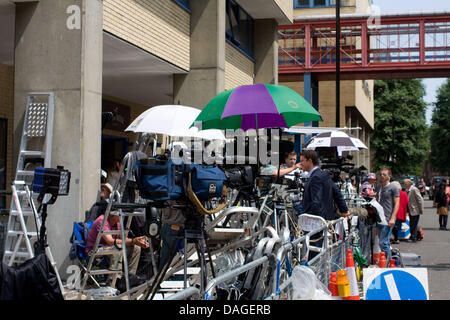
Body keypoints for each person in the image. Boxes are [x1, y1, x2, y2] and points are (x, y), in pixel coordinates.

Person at [85, 211, 149, 280]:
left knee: (136, 248)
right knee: (118, 248)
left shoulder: (118, 223)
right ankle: (114, 280)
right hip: (95, 250)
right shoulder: (102, 220)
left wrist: (137, 241)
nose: (122, 217)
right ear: (114, 215)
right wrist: (133, 241)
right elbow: (110, 241)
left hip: (108, 248)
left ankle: (130, 277)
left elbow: (124, 239)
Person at [300, 150, 349, 221]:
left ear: (310, 161)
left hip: (317, 222)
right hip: (327, 218)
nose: (300, 163)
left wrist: (307, 216)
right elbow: (336, 192)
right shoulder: (324, 174)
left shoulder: (315, 177)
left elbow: (316, 202)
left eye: (302, 161)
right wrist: (344, 210)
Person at [375, 168, 399, 262]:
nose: (382, 176)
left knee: (383, 243)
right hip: (379, 218)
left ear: (389, 176)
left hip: (388, 218)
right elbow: (377, 200)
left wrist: (392, 218)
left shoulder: (393, 188)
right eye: (380, 174)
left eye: (384, 174)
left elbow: (397, 203)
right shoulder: (378, 188)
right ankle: (388, 261)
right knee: (384, 242)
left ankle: (388, 262)